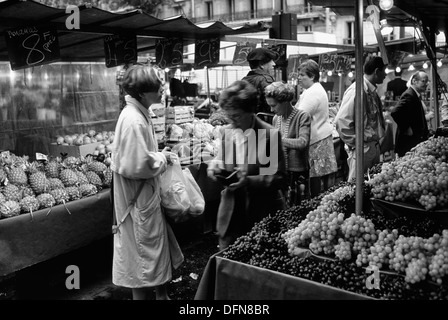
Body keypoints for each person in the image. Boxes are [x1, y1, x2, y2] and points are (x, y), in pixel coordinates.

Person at [111, 64, 184, 300]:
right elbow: (138, 165)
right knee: (141, 256)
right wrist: (161, 157)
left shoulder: (139, 114)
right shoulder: (134, 120)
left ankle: (161, 296)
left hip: (143, 198)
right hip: (138, 199)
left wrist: (158, 154)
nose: (162, 91)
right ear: (142, 93)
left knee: (143, 254)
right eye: (157, 88)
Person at [207, 80, 287, 250]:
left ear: (250, 111)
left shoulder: (269, 135)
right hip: (231, 213)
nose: (231, 121)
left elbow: (279, 177)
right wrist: (215, 165)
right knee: (227, 260)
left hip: (261, 213)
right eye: (228, 115)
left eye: (236, 115)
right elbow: (223, 158)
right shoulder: (227, 132)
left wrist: (249, 181)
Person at [335, 55, 387, 182]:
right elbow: (341, 121)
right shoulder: (357, 90)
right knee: (356, 188)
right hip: (363, 149)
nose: (385, 75)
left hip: (371, 147)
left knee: (370, 186)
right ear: (376, 71)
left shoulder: (371, 90)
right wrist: (358, 145)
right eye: (384, 71)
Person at [295, 59, 338, 197]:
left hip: (317, 141)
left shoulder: (313, 92)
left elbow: (300, 116)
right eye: (299, 75)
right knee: (318, 177)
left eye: (302, 75)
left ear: (312, 76)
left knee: (316, 179)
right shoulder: (313, 89)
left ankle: (315, 204)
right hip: (320, 137)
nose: (299, 78)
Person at [265, 81, 311, 207]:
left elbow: (303, 142)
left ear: (285, 101)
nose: (271, 109)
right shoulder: (276, 119)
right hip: (282, 172)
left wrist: (277, 140)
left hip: (297, 173)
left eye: (274, 106)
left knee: (297, 210)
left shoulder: (302, 116)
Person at [391, 70, 431, 157]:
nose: (426, 84)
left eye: (427, 82)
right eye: (424, 81)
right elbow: (395, 112)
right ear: (414, 81)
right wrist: (406, 128)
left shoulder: (415, 94)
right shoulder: (409, 95)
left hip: (413, 142)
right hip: (407, 144)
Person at [242, 47, 278, 115]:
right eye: (270, 60)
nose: (274, 64)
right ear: (261, 65)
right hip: (265, 122)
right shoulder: (265, 79)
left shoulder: (244, 80)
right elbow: (274, 106)